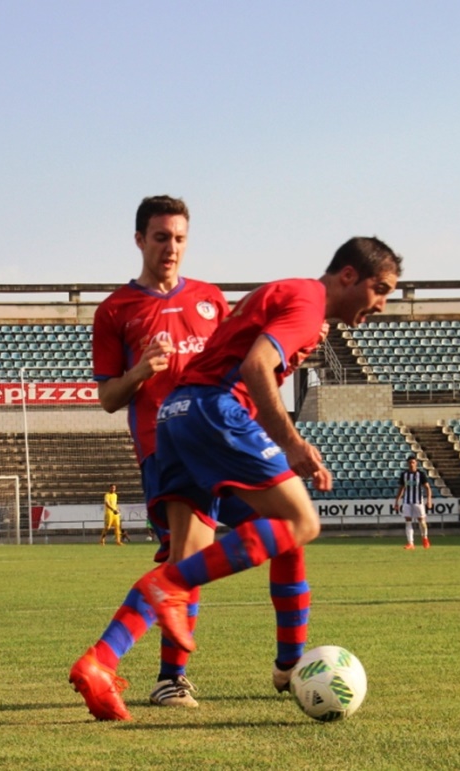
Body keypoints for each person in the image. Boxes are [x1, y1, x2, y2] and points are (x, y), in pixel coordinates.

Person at [132, 237, 400, 684]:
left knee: (271, 540)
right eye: (382, 289)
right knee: (301, 521)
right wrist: (293, 444)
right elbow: (256, 366)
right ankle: (167, 588)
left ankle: (180, 674)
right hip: (214, 410)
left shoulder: (292, 294)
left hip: (178, 413)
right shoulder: (309, 302)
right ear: (349, 275)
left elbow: (246, 341)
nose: (383, 305)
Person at [69, 195, 232, 718]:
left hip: (212, 441)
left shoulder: (212, 300)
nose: (171, 248)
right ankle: (149, 671)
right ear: (140, 239)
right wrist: (141, 370)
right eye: (161, 237)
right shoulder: (117, 310)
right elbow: (108, 398)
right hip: (163, 443)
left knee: (192, 562)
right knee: (192, 559)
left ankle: (153, 673)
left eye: (180, 238)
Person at [395, 455, 433, 550]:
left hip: (418, 501)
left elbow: (428, 488)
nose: (411, 464)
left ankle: (424, 538)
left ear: (416, 463)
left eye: (413, 462)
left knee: (422, 521)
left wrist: (429, 500)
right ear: (408, 464)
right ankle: (410, 543)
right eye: (410, 462)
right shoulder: (404, 475)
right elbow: (401, 488)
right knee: (408, 521)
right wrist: (397, 501)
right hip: (407, 501)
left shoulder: (420, 474)